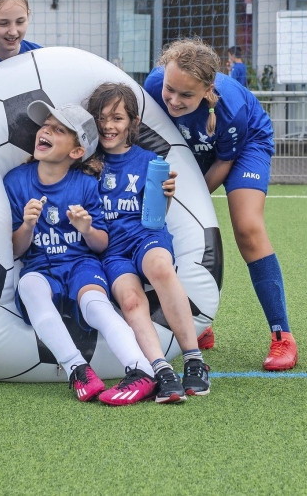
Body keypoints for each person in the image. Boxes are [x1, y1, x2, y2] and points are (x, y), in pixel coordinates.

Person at [144, 38, 298, 371]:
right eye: (170, 89)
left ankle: (282, 335)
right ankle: (199, 323)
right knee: (162, 225)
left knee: (248, 229)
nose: (173, 100)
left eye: (186, 95)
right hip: (191, 146)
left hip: (243, 148)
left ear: (207, 90)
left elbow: (222, 164)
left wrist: (190, 205)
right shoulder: (154, 86)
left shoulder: (231, 110)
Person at [6, 100, 157, 405]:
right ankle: (78, 369)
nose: (45, 131)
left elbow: (100, 244)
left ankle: (141, 370)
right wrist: (27, 225)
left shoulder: (86, 186)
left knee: (96, 304)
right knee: (27, 286)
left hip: (81, 265)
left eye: (58, 129)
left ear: (76, 152)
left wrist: (86, 228)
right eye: (45, 126)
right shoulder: (16, 181)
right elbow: (16, 249)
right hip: (40, 266)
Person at [87, 82, 210, 402]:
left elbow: (155, 216)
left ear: (132, 123)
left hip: (145, 236)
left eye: (116, 118)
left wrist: (165, 197)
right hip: (112, 250)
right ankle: (161, 371)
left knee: (160, 268)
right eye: (101, 119)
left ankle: (194, 361)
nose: (108, 126)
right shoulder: (88, 164)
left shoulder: (148, 161)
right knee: (129, 300)